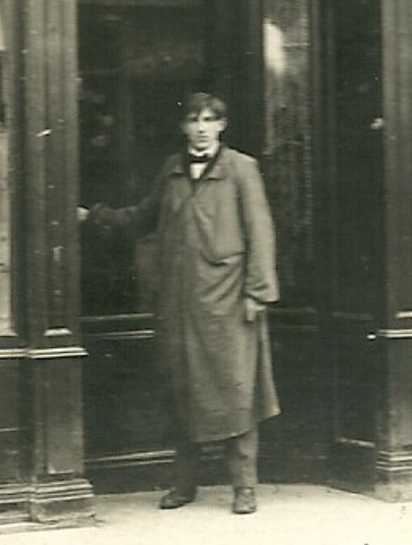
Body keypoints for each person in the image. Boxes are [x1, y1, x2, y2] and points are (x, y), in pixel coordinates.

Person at [80, 92, 280, 515]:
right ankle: (184, 484)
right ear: (183, 127)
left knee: (236, 391)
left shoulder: (242, 170)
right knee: (182, 390)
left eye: (210, 119)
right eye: (194, 120)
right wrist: (94, 216)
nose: (202, 127)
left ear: (222, 126)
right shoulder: (171, 169)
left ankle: (244, 487)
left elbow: (261, 234)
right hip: (178, 303)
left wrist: (257, 294)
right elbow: (143, 217)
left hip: (228, 303)